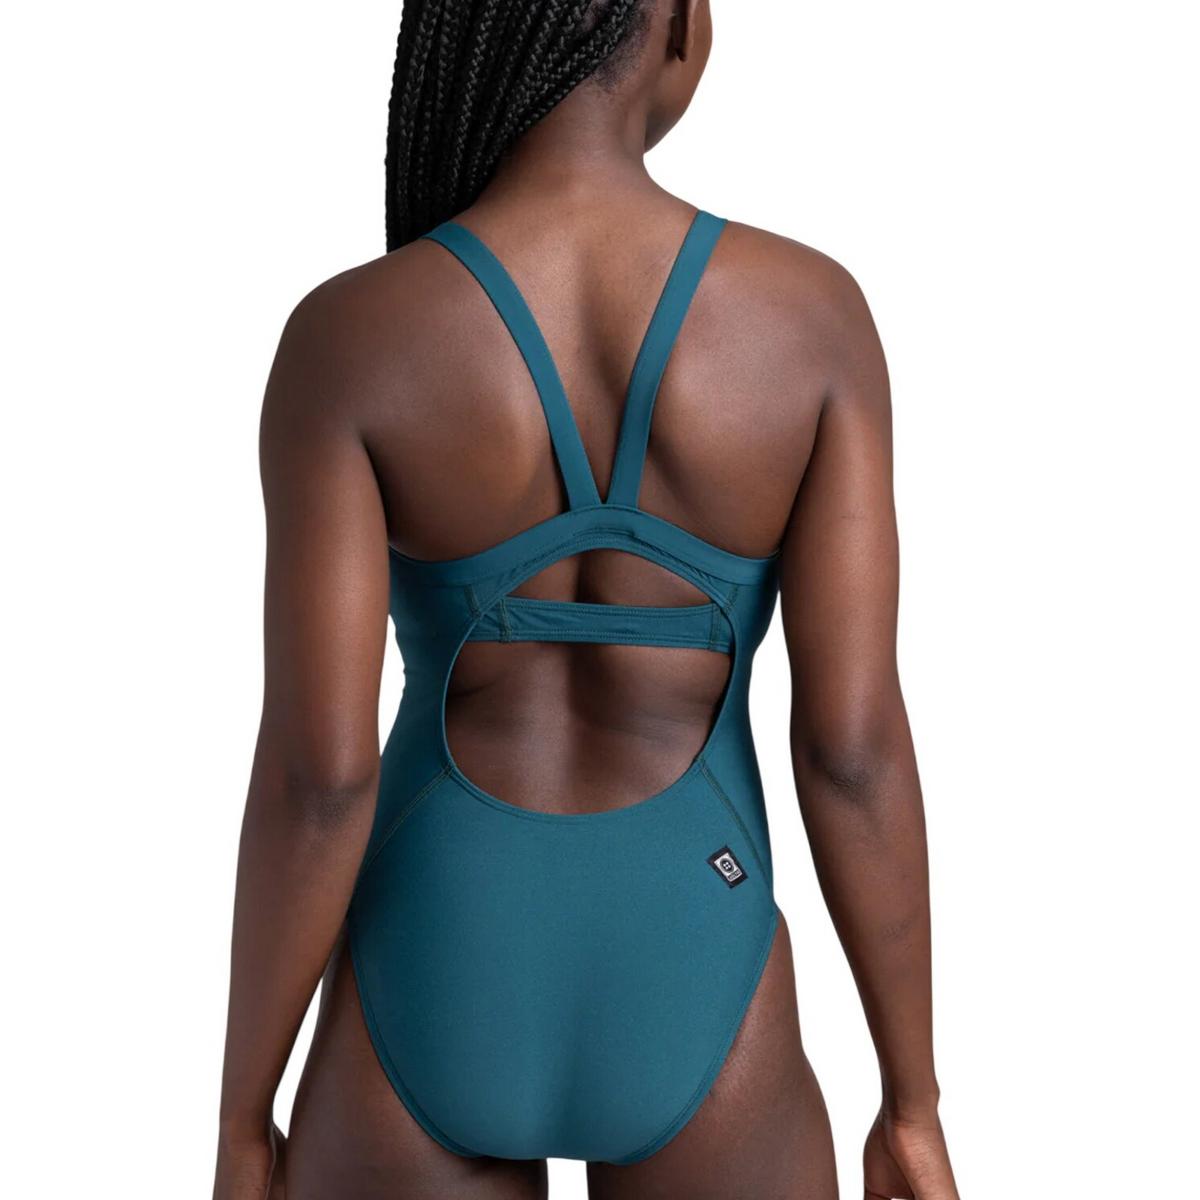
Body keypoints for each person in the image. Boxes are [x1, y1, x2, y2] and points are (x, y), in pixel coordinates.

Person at [213, 2, 960, 1197]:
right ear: (675, 25)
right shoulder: (811, 322)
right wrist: (911, 1101)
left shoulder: (351, 336)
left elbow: (322, 779)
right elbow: (852, 750)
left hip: (434, 947)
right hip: (698, 940)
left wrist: (244, 1119)